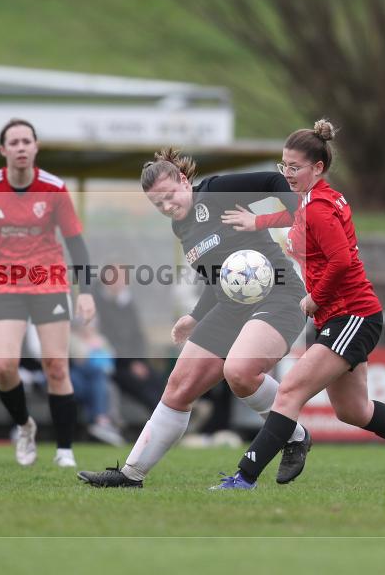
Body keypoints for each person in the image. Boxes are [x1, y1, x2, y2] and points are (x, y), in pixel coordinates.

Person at [209, 120, 385, 491]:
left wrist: (313, 298)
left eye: (294, 167)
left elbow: (342, 262)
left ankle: (244, 477)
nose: (287, 173)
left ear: (317, 167)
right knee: (353, 410)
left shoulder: (318, 207)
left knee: (289, 393)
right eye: (283, 166)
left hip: (352, 314)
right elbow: (293, 222)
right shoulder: (313, 201)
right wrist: (257, 220)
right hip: (343, 316)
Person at [77, 148, 312, 489]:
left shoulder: (216, 190)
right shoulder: (180, 228)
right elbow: (218, 278)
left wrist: (298, 220)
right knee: (178, 388)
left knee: (241, 373)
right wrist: (194, 316)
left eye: (170, 196)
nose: (168, 206)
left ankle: (295, 435)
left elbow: (275, 181)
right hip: (231, 305)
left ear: (184, 181)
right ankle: (131, 474)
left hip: (280, 295)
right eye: (159, 205)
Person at [0, 118, 96, 468]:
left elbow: (76, 244)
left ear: (36, 147)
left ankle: (65, 449)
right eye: (13, 142)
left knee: (56, 367)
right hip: (4, 285)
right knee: (3, 366)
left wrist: (85, 291)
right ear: (3, 150)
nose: (20, 147)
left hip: (49, 283)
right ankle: (24, 425)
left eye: (26, 141)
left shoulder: (54, 188)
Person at [90, 266, 165, 413]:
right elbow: (106, 340)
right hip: (116, 365)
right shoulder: (98, 305)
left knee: (159, 382)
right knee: (147, 391)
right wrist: (131, 363)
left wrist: (139, 362)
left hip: (135, 362)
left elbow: (138, 335)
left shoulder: (127, 304)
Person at [69, 321, 125, 446]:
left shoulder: (101, 339)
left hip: (99, 377)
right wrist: (91, 347)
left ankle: (105, 425)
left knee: (109, 387)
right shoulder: (72, 338)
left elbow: (111, 358)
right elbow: (80, 360)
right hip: (77, 377)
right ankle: (103, 422)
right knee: (101, 384)